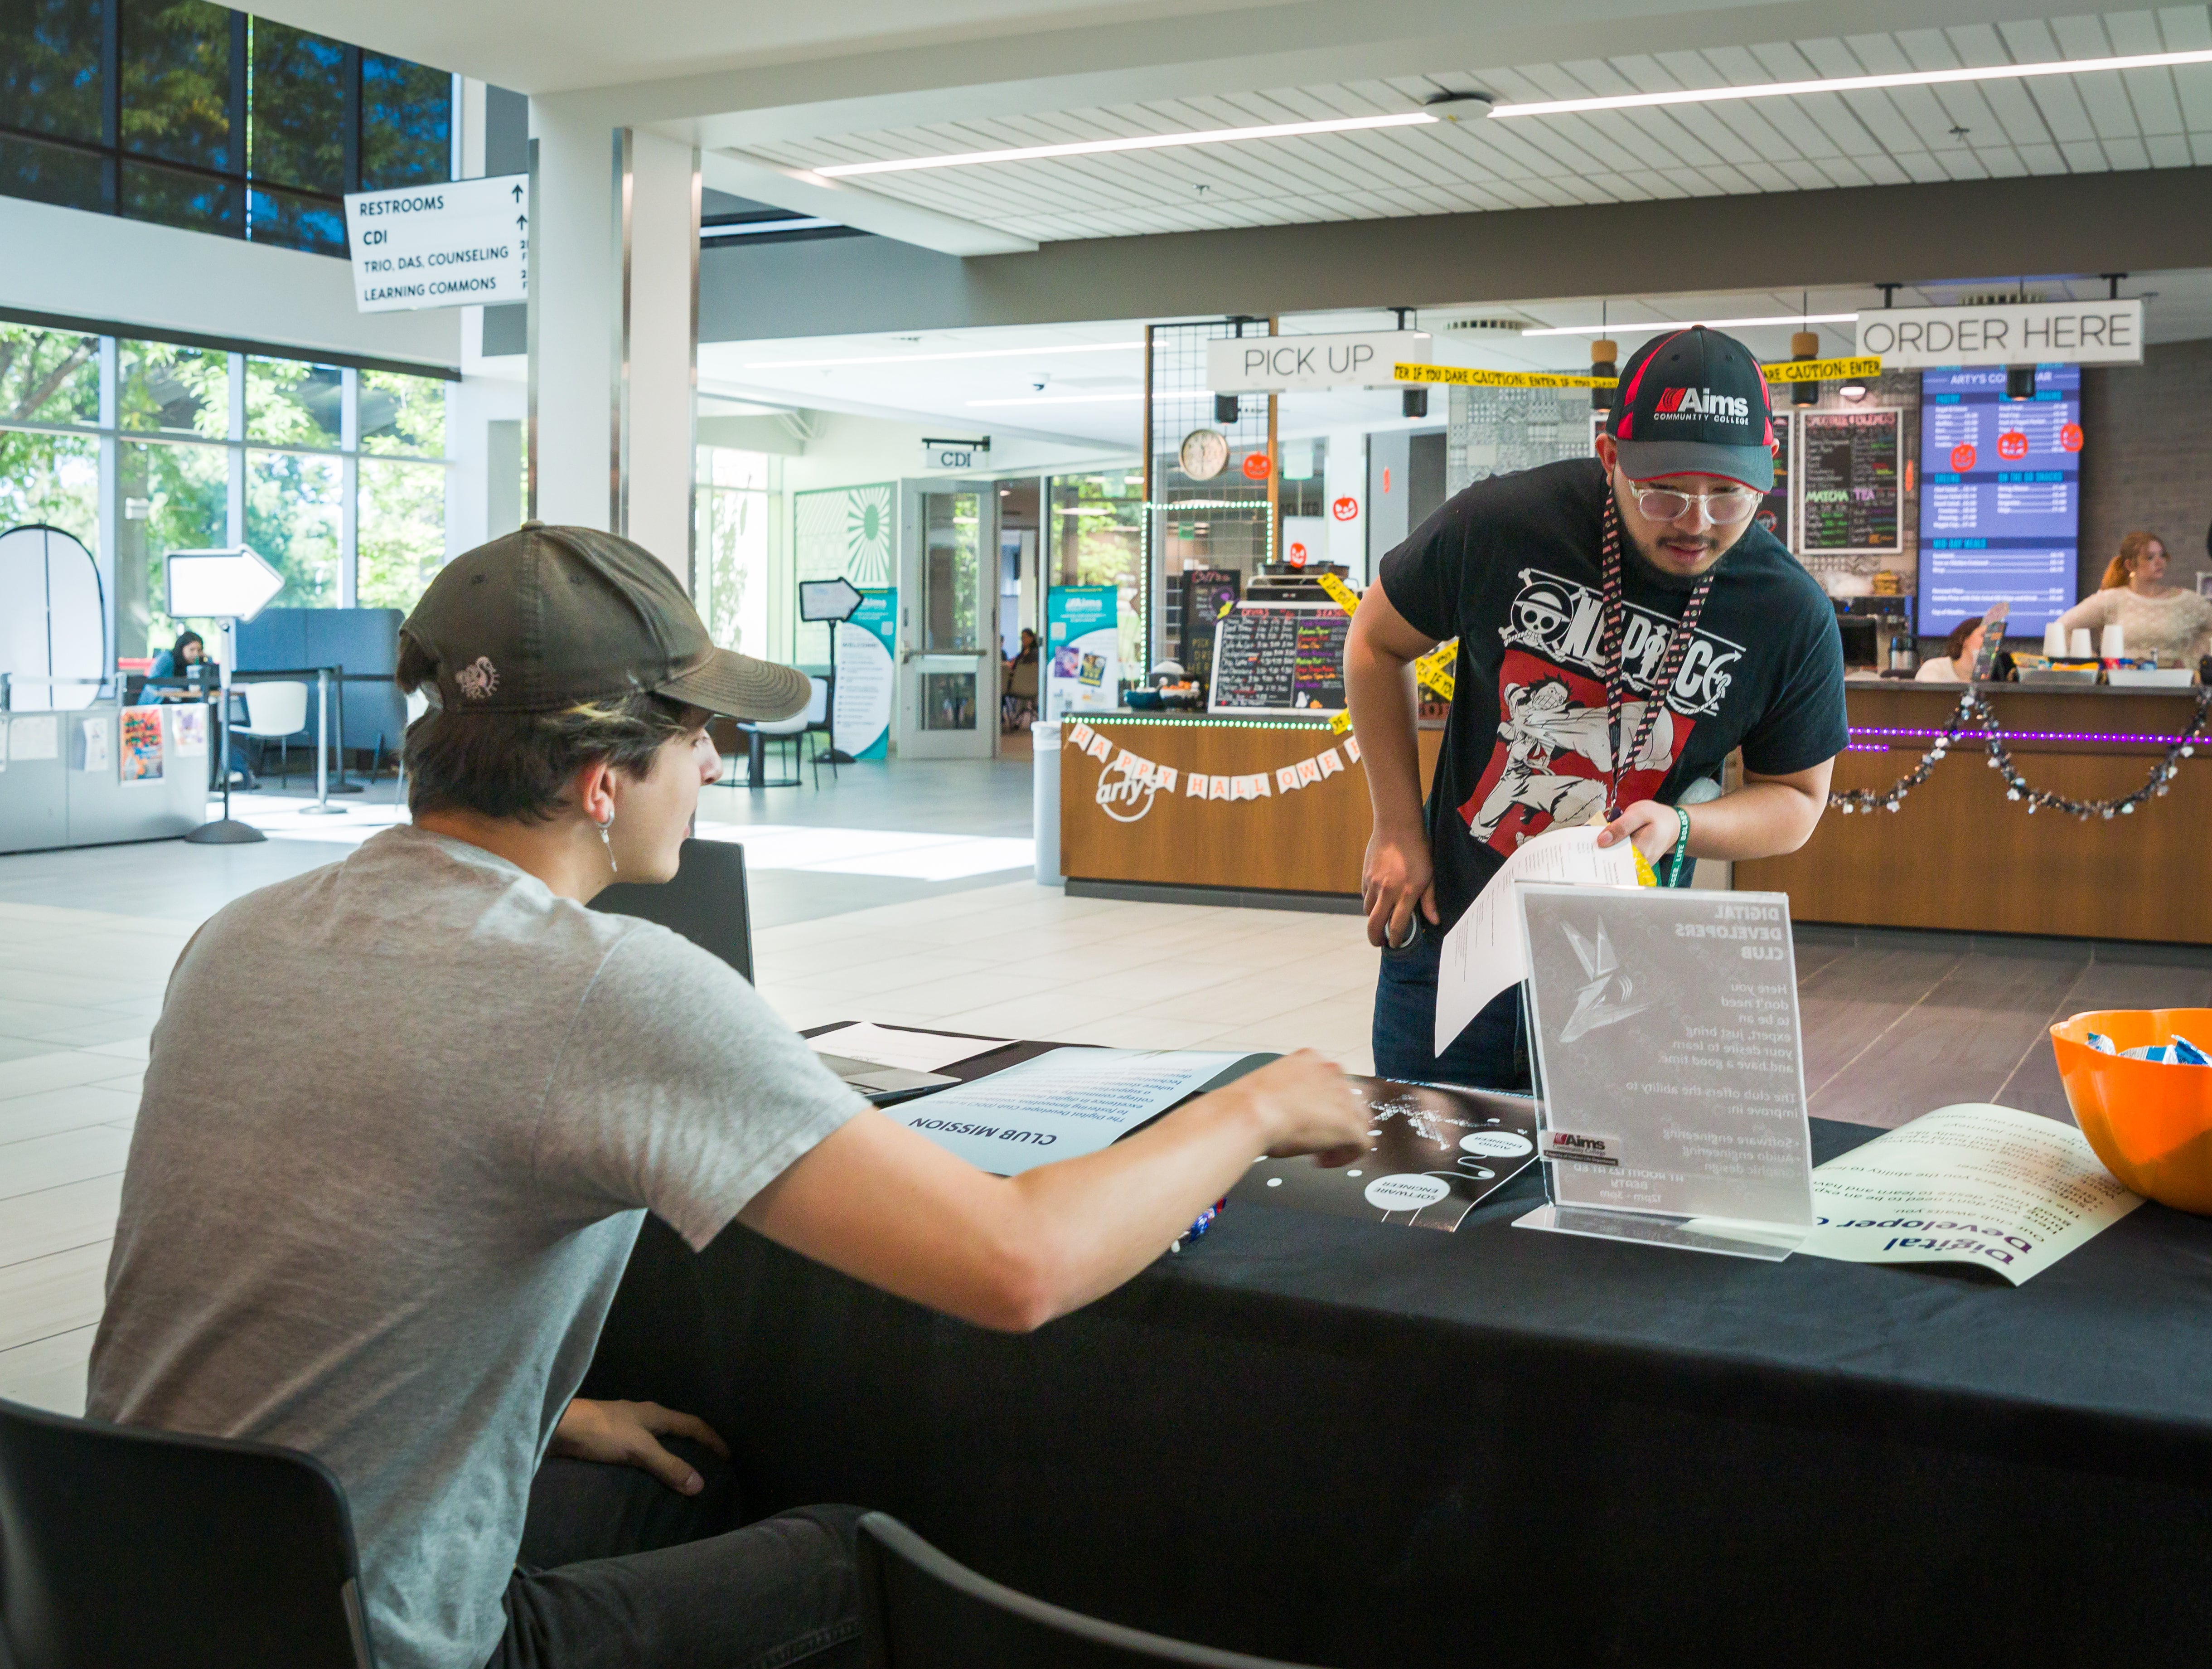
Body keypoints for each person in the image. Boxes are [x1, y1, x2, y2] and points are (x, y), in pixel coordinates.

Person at [87, 523, 1371, 1669]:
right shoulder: (601, 990)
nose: (712, 760)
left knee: (683, 1478)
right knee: (837, 1561)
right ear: (603, 781)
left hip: (131, 1597)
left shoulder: (241, 935)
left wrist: (544, 1411)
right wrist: (1252, 1105)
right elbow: (1017, 1263)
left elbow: (313, 1255)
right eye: (694, 732)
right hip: (382, 1642)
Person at [1344, 327, 1849, 1091]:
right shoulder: (1500, 524)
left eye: (1728, 496)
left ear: (1764, 478)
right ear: (1610, 456)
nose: (1696, 523)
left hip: (1626, 963)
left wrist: (1681, 826)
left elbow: (1798, 801)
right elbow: (1373, 642)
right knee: (1425, 1192)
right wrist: (1394, 828)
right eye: (1664, 493)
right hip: (1453, 932)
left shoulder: (1787, 612)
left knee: (1599, 1198)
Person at [2042, 531, 2212, 667]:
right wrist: (2093, 663)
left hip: (2174, 688)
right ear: (2130, 564)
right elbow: (2062, 627)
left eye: (2162, 555)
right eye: (2150, 557)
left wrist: (2191, 660)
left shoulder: (2187, 601)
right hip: (2122, 690)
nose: (2159, 562)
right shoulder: (2111, 600)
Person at [143, 628, 255, 786]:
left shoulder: (196, 665)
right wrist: (182, 689)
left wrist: (204, 661)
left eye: (199, 650)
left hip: (182, 706)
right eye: (192, 650)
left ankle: (219, 773)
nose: (196, 653)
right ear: (181, 649)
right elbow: (154, 685)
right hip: (157, 708)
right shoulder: (167, 659)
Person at [1915, 616, 1986, 682]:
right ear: (1964, 639)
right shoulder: (1935, 668)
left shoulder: (1991, 678)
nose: (1989, 641)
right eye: (1984, 635)